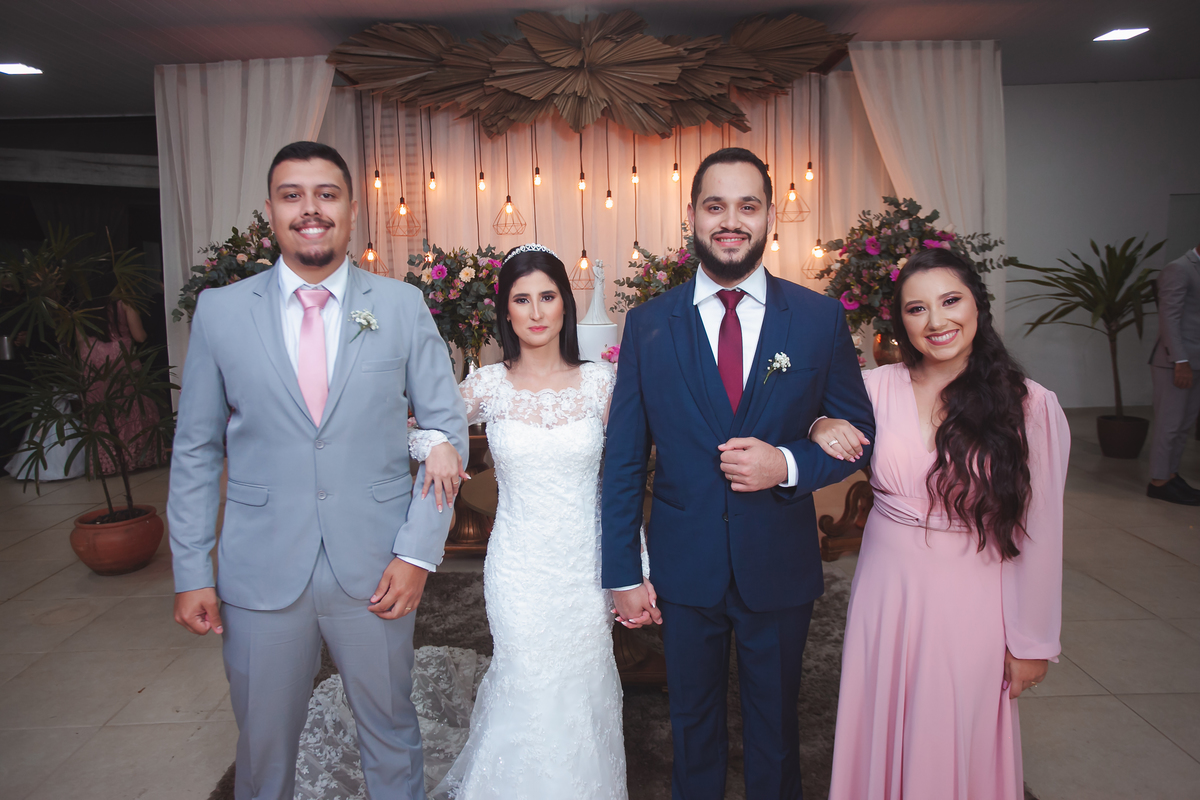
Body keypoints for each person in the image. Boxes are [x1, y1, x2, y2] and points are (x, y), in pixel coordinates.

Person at [167, 141, 468, 800]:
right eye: (292, 195)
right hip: (259, 568)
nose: (311, 209)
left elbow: (445, 436)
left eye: (327, 194)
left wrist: (417, 554)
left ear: (352, 209)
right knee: (263, 746)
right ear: (271, 210)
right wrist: (191, 569)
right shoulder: (221, 312)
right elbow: (196, 450)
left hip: (378, 565)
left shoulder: (400, 305)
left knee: (391, 732)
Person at [602, 148, 875, 799]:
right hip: (683, 564)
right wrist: (622, 573)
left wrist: (788, 463)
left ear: (770, 216)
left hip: (777, 559)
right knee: (690, 726)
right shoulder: (648, 325)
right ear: (692, 215)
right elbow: (624, 461)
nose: (731, 221)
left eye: (747, 206)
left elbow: (858, 434)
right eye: (715, 206)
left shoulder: (817, 320)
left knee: (776, 729)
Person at [815, 248, 1069, 800]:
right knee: (881, 723)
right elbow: (802, 413)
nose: (936, 321)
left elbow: (1041, 532)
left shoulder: (1030, 406)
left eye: (950, 301)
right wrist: (819, 423)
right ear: (900, 321)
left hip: (971, 602)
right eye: (917, 309)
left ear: (978, 304)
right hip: (886, 594)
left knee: (954, 730)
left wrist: (1032, 640)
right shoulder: (873, 389)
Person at [411, 244, 636, 800]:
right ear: (505, 312)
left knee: (583, 689)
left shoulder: (602, 383)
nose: (536, 312)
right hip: (518, 569)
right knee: (527, 683)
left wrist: (636, 569)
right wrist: (436, 445)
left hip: (585, 568)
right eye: (521, 300)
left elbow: (624, 484)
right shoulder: (488, 384)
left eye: (547, 297)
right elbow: (414, 425)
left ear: (565, 305)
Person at [80, 297, 160, 474]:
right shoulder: (124, 304)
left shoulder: (82, 309)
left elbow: (79, 342)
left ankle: (106, 461)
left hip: (92, 360)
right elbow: (140, 336)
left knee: (100, 411)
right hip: (121, 358)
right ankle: (135, 455)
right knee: (131, 407)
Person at [1146, 242, 1200, 505]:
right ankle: (1158, 481)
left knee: (1183, 425)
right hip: (1176, 362)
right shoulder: (1179, 269)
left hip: (1196, 360)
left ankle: (1171, 474)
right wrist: (1181, 360)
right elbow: (1169, 317)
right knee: (1169, 424)